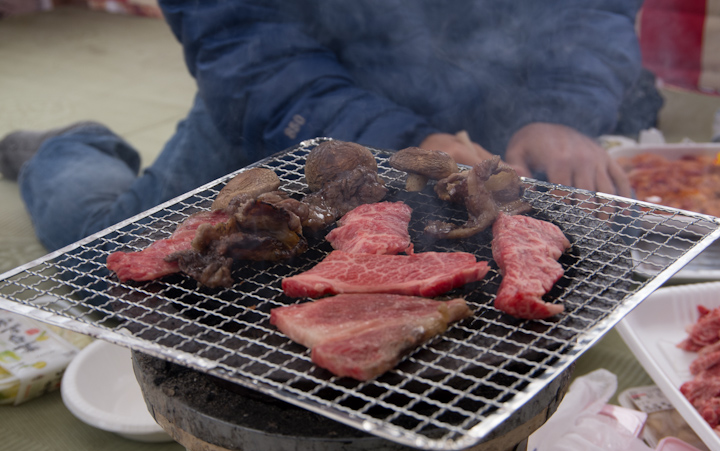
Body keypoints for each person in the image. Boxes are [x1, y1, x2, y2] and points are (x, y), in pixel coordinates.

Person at [0, 0, 660, 252]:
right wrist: (402, 142)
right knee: (104, 254)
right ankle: (66, 150)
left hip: (490, 108)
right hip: (286, 107)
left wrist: (563, 107)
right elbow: (244, 41)